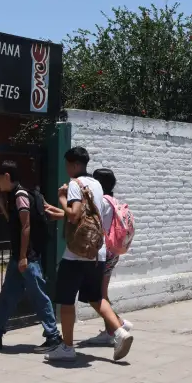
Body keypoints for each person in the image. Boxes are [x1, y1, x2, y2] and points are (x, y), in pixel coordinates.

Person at [43, 147, 134, 362]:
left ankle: (67, 348)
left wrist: (62, 197)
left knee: (66, 300)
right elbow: (88, 215)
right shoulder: (97, 185)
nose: (66, 169)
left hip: (76, 253)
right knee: (96, 297)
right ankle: (120, 331)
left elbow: (74, 215)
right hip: (97, 252)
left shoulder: (75, 184)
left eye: (67, 165)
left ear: (75, 164)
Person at [0, 161, 63, 353]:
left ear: (7, 177)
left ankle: (54, 337)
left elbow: (25, 226)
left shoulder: (20, 196)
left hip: (27, 258)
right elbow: (13, 224)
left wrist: (23, 257)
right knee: (8, 296)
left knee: (38, 296)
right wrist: (1, 205)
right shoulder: (12, 197)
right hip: (19, 257)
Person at [83, 167, 132, 346]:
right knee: (102, 294)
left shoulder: (101, 202)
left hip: (102, 254)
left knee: (98, 296)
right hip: (113, 252)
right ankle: (114, 327)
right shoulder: (114, 201)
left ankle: (115, 327)